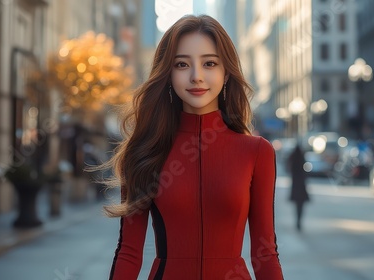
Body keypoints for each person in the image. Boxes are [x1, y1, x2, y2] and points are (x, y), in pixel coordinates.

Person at [96, 15, 284, 279]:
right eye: (182, 64)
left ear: (226, 72)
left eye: (209, 63)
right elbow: (129, 252)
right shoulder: (145, 152)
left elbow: (264, 253)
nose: (197, 76)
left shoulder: (257, 152)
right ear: (168, 73)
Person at [287, 144, 309, 231]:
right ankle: (299, 221)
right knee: (300, 207)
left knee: (297, 206)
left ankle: (298, 222)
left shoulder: (292, 160)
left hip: (295, 188)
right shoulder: (302, 160)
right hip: (302, 187)